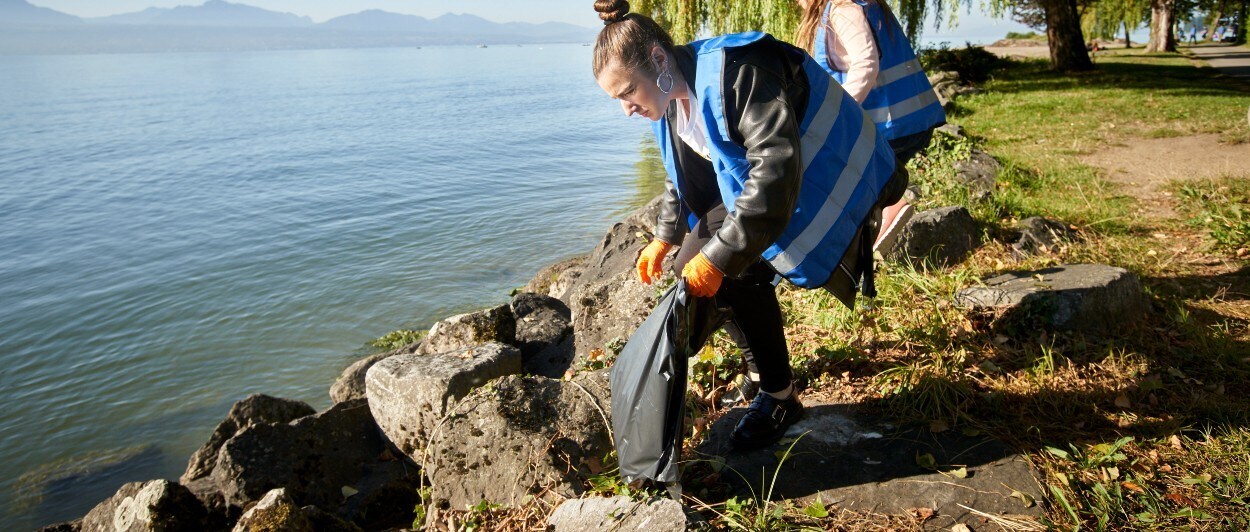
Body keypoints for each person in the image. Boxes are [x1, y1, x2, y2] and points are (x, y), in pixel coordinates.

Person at [592, 0, 907, 450]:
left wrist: (720, 256)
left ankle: (779, 396)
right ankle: (761, 368)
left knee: (731, 273)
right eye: (616, 99)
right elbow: (677, 174)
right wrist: (665, 237)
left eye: (626, 93)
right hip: (750, 191)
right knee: (694, 270)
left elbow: (776, 169)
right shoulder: (669, 99)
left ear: (659, 59)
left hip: (815, 177)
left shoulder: (738, 71)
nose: (625, 109)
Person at [793, 0, 946, 252]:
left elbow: (866, 62)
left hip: (889, 126)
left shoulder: (843, 10)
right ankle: (876, 222)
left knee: (831, 176)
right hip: (905, 122)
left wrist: (837, 112)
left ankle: (884, 210)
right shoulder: (862, 6)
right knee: (845, 179)